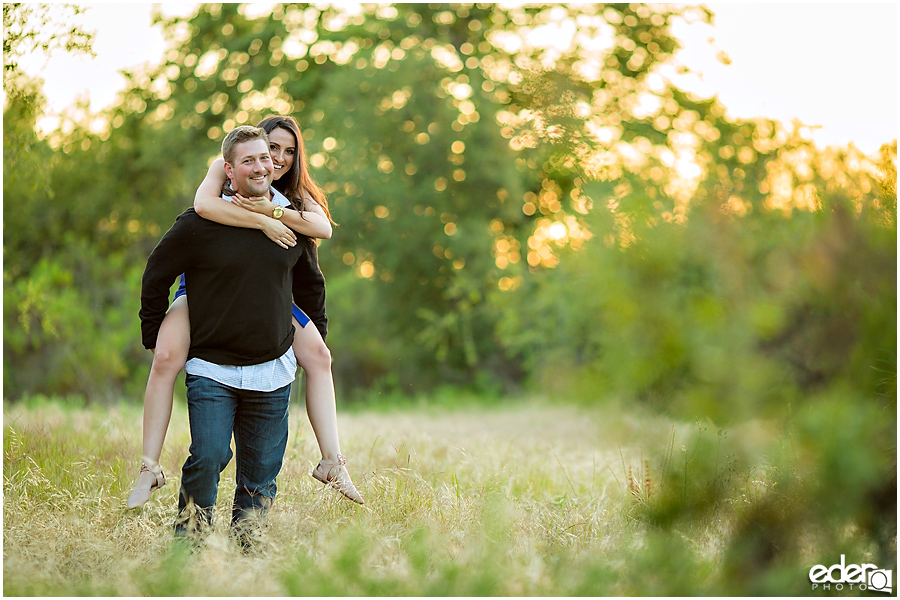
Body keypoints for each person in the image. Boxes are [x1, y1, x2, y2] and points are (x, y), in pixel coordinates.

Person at [129, 116, 362, 512]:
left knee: (319, 357)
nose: (276, 160)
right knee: (166, 357)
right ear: (232, 166)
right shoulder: (217, 186)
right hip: (207, 296)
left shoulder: (292, 201)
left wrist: (274, 215)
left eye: (287, 153)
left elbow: (317, 249)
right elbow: (202, 209)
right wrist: (263, 219)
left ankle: (332, 462)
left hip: (270, 307)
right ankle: (150, 468)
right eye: (270, 150)